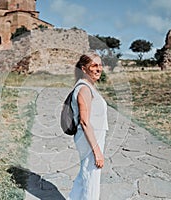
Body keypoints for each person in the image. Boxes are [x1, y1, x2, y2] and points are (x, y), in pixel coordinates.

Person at [68, 52, 108, 200]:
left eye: (100, 65)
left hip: (90, 137)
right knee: (92, 177)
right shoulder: (84, 88)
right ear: (84, 69)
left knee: (85, 173)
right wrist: (97, 151)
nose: (99, 69)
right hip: (89, 139)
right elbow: (84, 122)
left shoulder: (86, 86)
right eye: (94, 65)